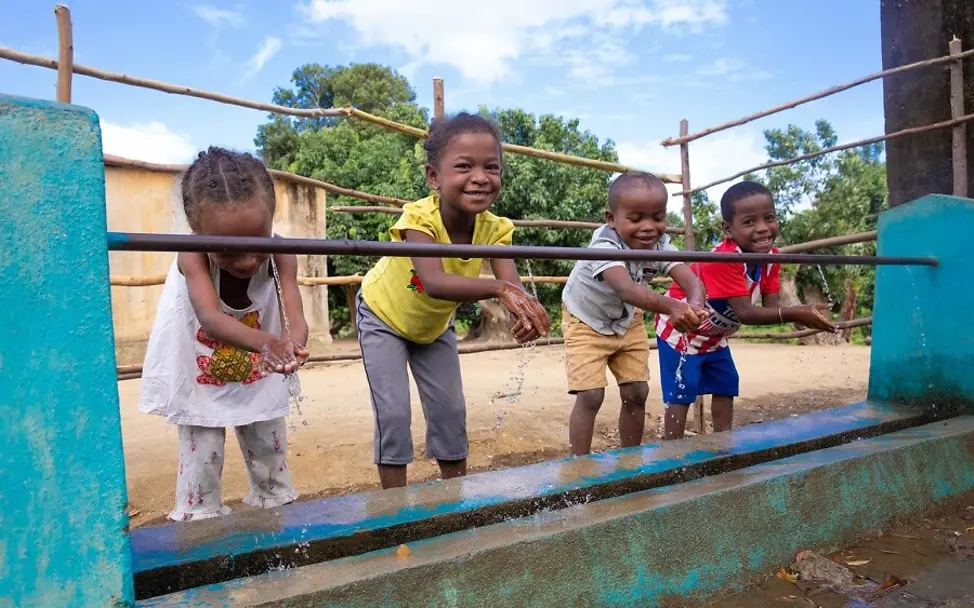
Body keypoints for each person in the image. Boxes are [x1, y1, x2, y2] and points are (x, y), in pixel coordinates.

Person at [357, 112, 550, 489]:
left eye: (491, 167)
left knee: (450, 411)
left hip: (433, 327)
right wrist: (501, 291)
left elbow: (509, 284)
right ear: (434, 176)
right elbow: (434, 282)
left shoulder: (495, 229)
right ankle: (395, 511)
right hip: (383, 317)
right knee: (394, 414)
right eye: (464, 167)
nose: (480, 177)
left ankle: (455, 503)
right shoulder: (418, 217)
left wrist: (524, 312)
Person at [139, 147, 309, 522]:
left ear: (271, 222)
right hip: (197, 366)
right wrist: (270, 343)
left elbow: (295, 318)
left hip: (260, 366)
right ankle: (200, 533)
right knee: (202, 457)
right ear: (197, 232)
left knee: (270, 452)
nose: (247, 261)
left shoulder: (283, 254)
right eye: (228, 251)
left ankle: (275, 527)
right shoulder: (192, 254)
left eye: (256, 244)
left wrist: (292, 344)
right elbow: (212, 319)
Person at [655, 180, 836, 439]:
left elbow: (771, 309)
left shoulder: (771, 258)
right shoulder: (725, 260)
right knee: (682, 392)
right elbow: (747, 313)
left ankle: (722, 444)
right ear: (728, 229)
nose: (762, 228)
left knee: (726, 383)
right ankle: (671, 453)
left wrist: (795, 311)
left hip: (715, 337)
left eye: (769, 218)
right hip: (681, 333)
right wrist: (795, 312)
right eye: (749, 222)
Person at [561, 172, 709, 456]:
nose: (648, 227)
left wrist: (694, 306)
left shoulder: (660, 244)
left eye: (657, 217)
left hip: (628, 321)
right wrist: (672, 307)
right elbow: (627, 289)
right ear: (612, 219)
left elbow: (691, 281)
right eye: (636, 218)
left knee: (637, 392)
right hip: (585, 320)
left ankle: (629, 461)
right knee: (591, 395)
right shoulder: (604, 245)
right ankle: (577, 468)